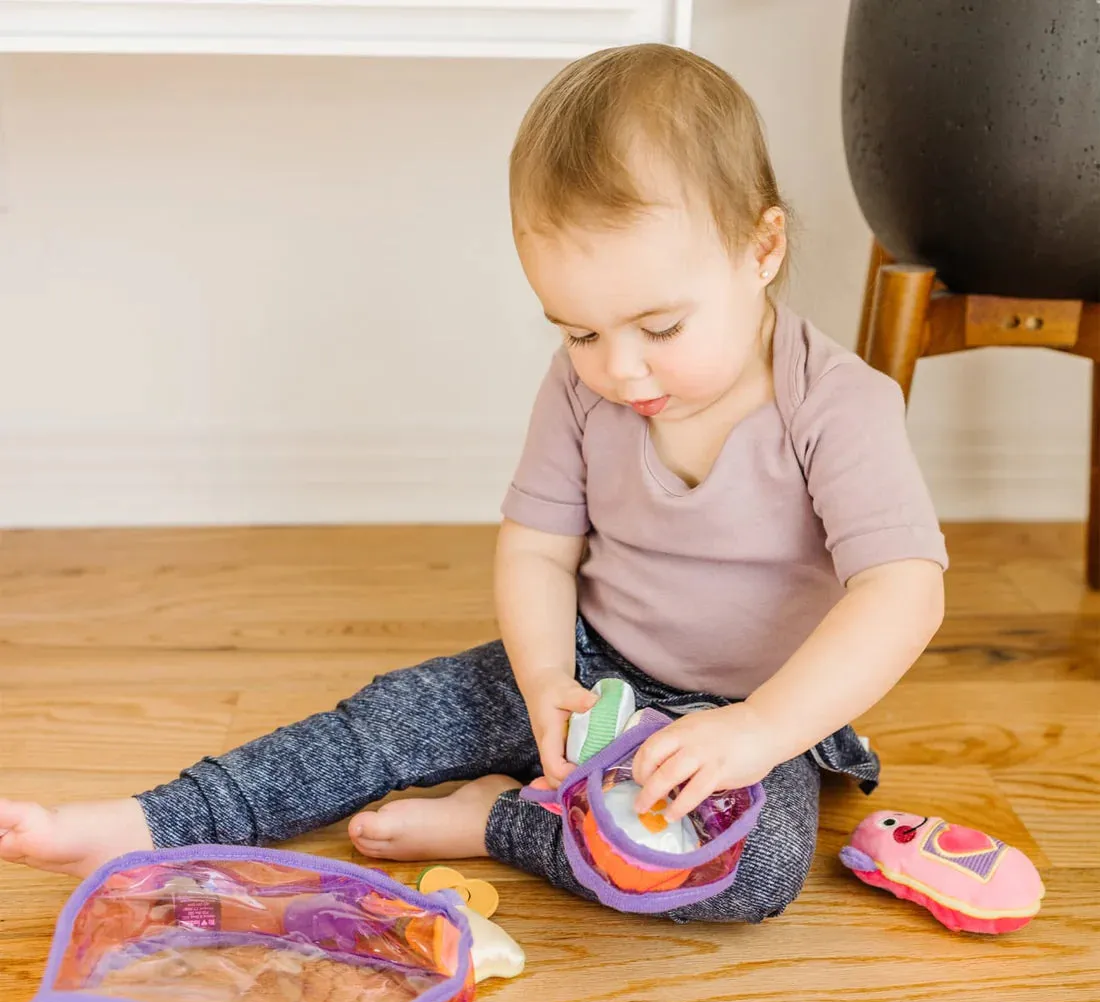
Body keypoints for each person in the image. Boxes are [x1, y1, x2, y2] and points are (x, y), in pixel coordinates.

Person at [0, 45, 946, 924]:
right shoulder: (586, 393)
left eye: (659, 328)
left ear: (763, 248)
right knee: (383, 720)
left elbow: (903, 591)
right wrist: (542, 679)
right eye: (578, 332)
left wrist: (760, 729)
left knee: (757, 869)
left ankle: (501, 824)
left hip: (743, 709)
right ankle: (151, 821)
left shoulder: (838, 406)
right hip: (588, 667)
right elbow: (537, 545)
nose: (620, 369)